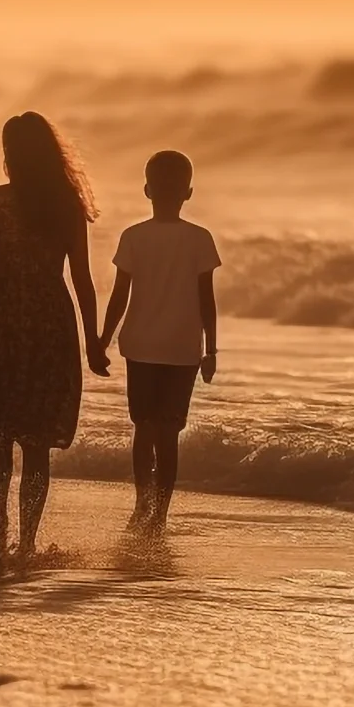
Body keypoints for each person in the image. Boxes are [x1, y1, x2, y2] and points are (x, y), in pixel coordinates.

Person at [0, 112, 105, 569]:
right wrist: (93, 341)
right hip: (49, 319)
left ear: (11, 153)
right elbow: (83, 281)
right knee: (35, 437)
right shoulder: (67, 205)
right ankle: (28, 539)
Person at [96, 150, 220, 537]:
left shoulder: (134, 236)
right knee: (168, 433)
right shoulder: (200, 238)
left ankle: (141, 504)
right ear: (189, 192)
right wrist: (211, 350)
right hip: (183, 348)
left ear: (147, 190)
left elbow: (119, 296)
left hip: (141, 344)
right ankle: (160, 514)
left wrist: (101, 340)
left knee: (144, 429)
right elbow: (206, 300)